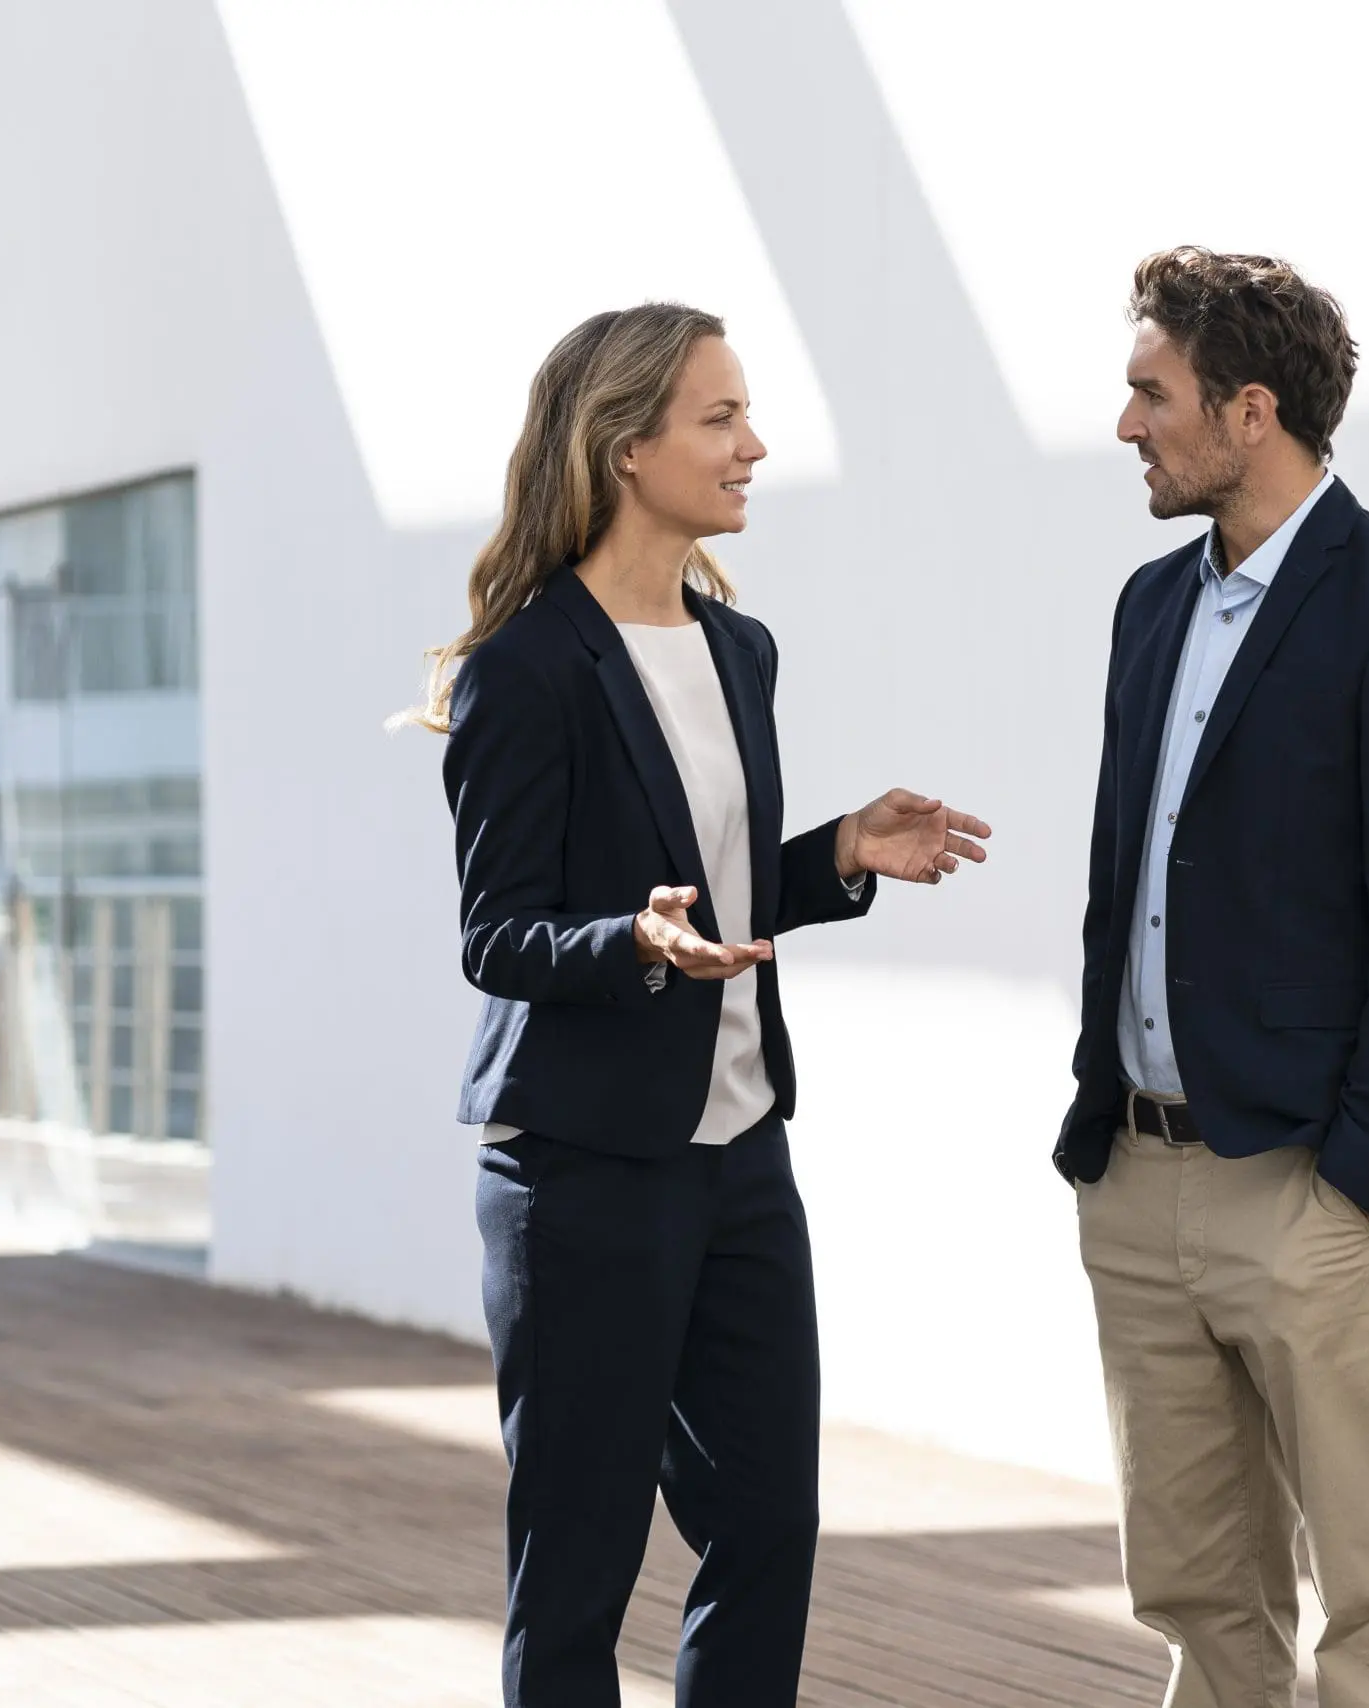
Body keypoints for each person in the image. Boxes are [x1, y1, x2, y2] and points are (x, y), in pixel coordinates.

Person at [408, 302, 990, 1708]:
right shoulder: (526, 668)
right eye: (720, 419)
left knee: (768, 1526)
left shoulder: (741, 650)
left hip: (740, 1155)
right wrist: (635, 943)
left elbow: (717, 889)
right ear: (625, 446)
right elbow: (498, 933)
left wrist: (838, 852)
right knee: (579, 1566)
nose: (754, 447)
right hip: (583, 1170)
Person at [1058, 247, 1369, 1708]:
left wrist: (1366, 1176)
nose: (1128, 424)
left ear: (1250, 412)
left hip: (1312, 1189)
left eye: (1154, 394)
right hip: (1141, 1177)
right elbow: (1128, 881)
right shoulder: (1149, 607)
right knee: (1200, 1603)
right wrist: (1100, 1125)